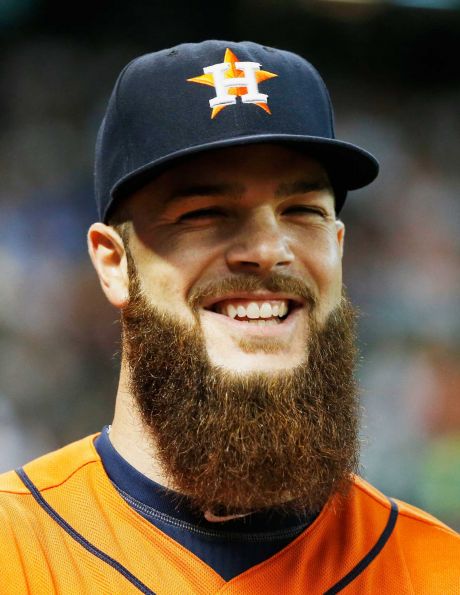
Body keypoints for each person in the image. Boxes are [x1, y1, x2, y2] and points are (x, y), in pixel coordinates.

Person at [0, 40, 458, 594]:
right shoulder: (13, 548)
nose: (268, 248)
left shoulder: (438, 570)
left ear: (338, 246)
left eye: (302, 211)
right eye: (205, 213)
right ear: (115, 263)